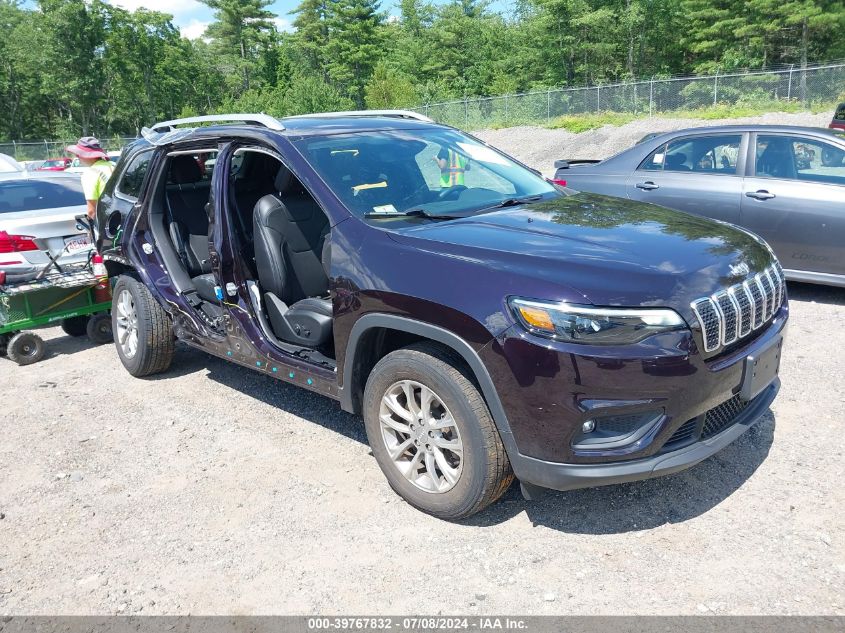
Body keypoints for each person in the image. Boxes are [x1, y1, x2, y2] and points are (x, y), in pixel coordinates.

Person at [66, 137, 115, 219]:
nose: (77, 157)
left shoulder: (90, 174)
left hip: (107, 219)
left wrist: (91, 230)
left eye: (78, 154)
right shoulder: (113, 165)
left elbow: (92, 211)